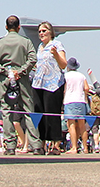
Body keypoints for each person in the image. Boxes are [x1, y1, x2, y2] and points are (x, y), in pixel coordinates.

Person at [0, 16, 40, 155]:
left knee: (7, 111)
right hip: (22, 79)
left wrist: (6, 71)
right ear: (18, 27)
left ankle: (10, 145)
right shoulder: (26, 42)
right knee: (29, 111)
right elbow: (33, 59)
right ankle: (36, 145)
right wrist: (21, 71)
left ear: (6, 27)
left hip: (5, 80)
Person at [30, 20, 66, 153]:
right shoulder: (39, 47)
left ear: (51, 32)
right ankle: (42, 144)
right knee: (39, 113)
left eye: (44, 31)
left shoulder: (57, 45)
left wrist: (56, 54)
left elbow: (63, 64)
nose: (41, 33)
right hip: (39, 83)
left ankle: (56, 144)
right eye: (39, 31)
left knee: (52, 113)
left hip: (53, 84)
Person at [62, 57, 90, 153]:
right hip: (81, 101)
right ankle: (85, 147)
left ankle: (74, 147)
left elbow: (64, 89)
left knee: (71, 125)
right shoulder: (82, 76)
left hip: (70, 100)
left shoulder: (66, 76)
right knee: (82, 125)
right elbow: (87, 88)